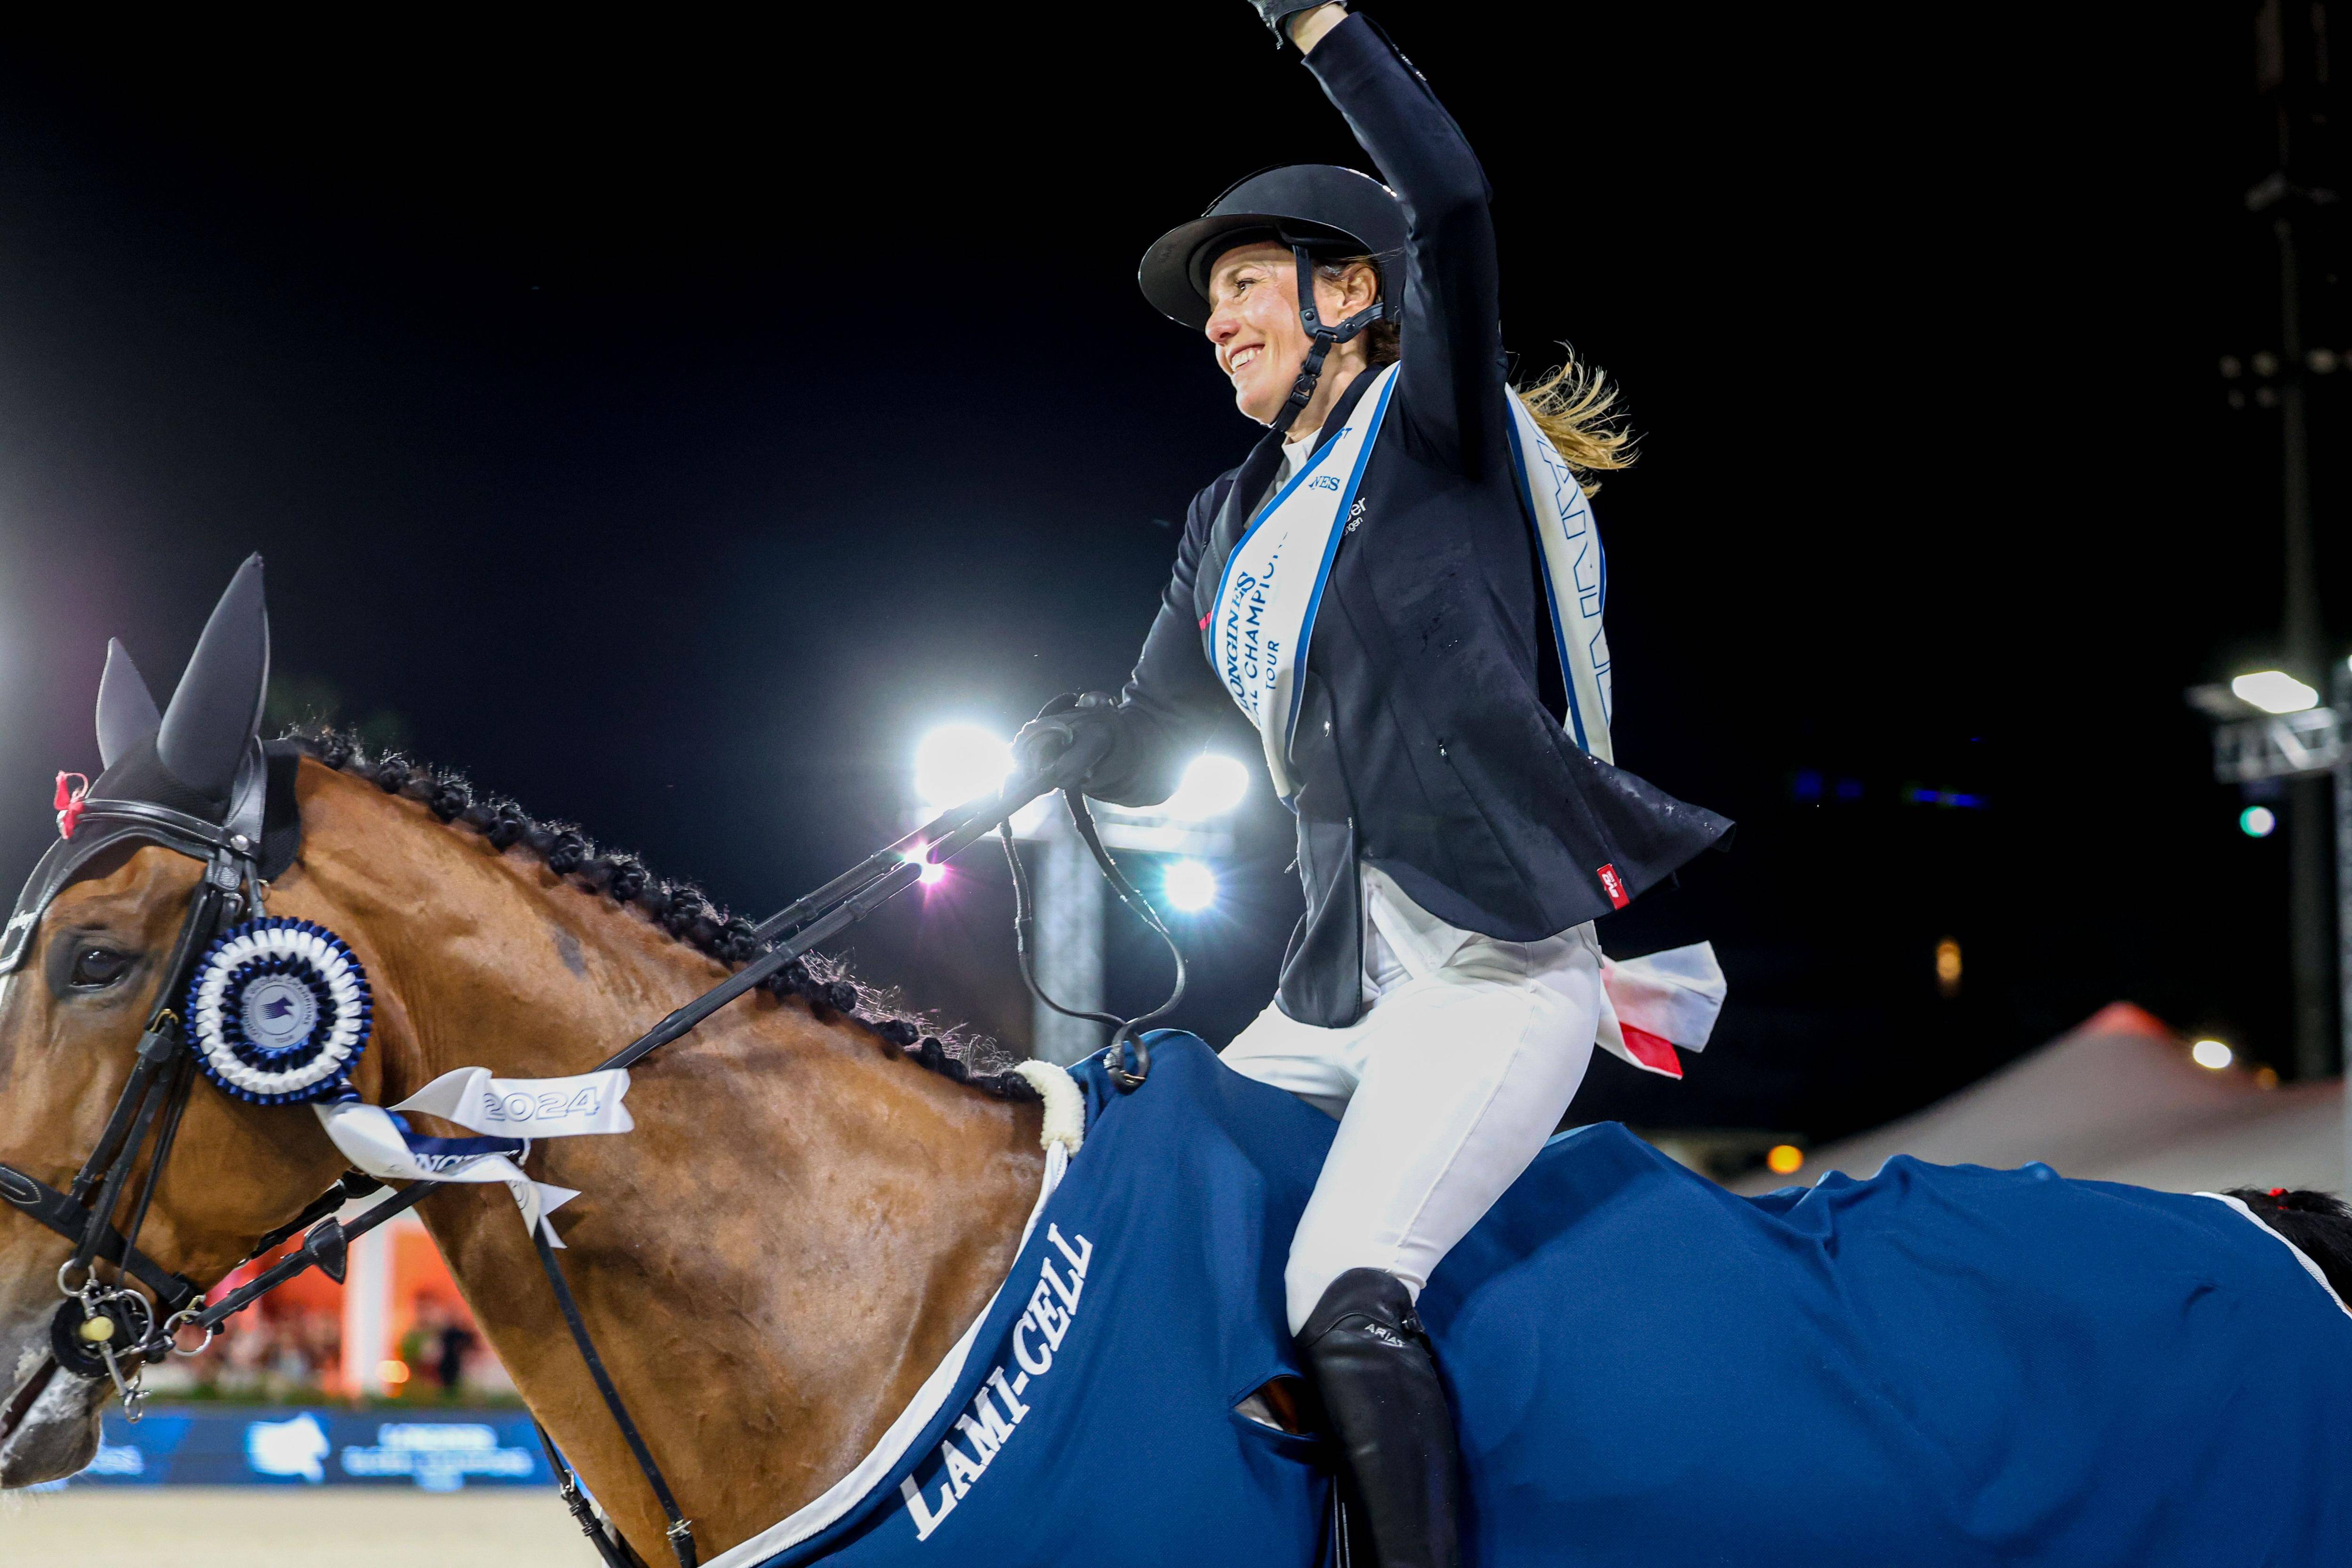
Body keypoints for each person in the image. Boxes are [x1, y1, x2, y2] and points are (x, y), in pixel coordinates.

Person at [1015, 6, 1731, 1564]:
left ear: (1353, 295)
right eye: (1210, 305)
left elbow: (1455, 208)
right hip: (1336, 994)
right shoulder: (1224, 520)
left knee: (1345, 1279)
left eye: (1244, 288)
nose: (1217, 324)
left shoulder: (1433, 433)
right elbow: (1155, 724)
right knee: (1141, 1174)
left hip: (1491, 976)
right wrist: (1081, 742)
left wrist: (1326, 24)